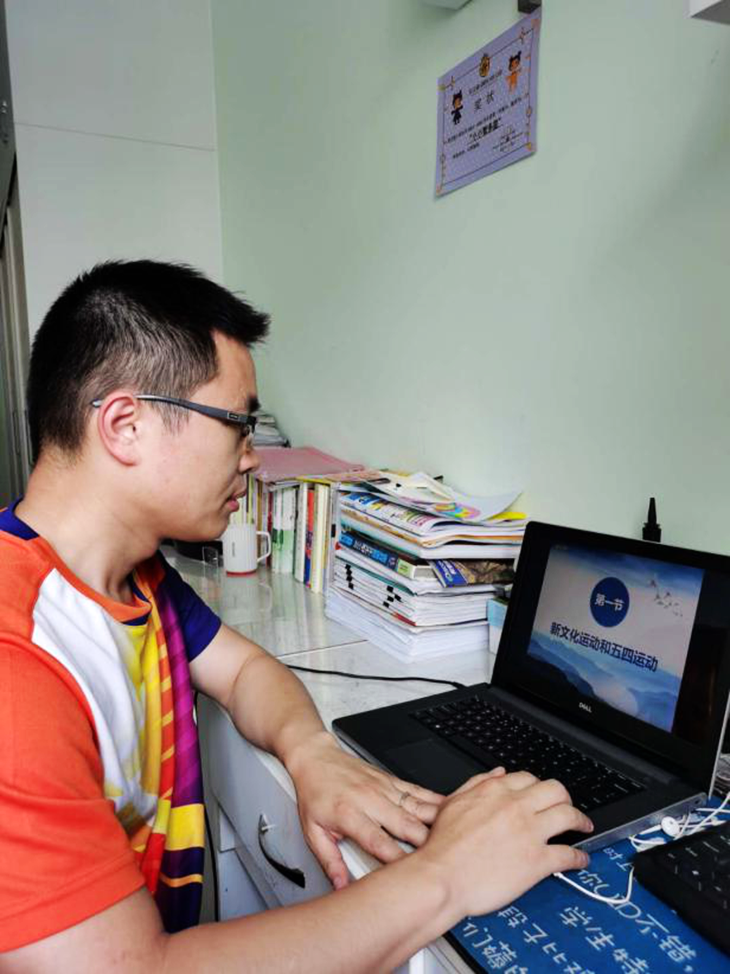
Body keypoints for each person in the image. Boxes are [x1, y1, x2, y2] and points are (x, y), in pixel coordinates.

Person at [0, 260, 592, 972]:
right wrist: (447, 875)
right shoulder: (16, 659)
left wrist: (312, 754)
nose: (252, 458)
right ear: (126, 425)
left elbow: (245, 671)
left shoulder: (136, 579)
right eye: (238, 424)